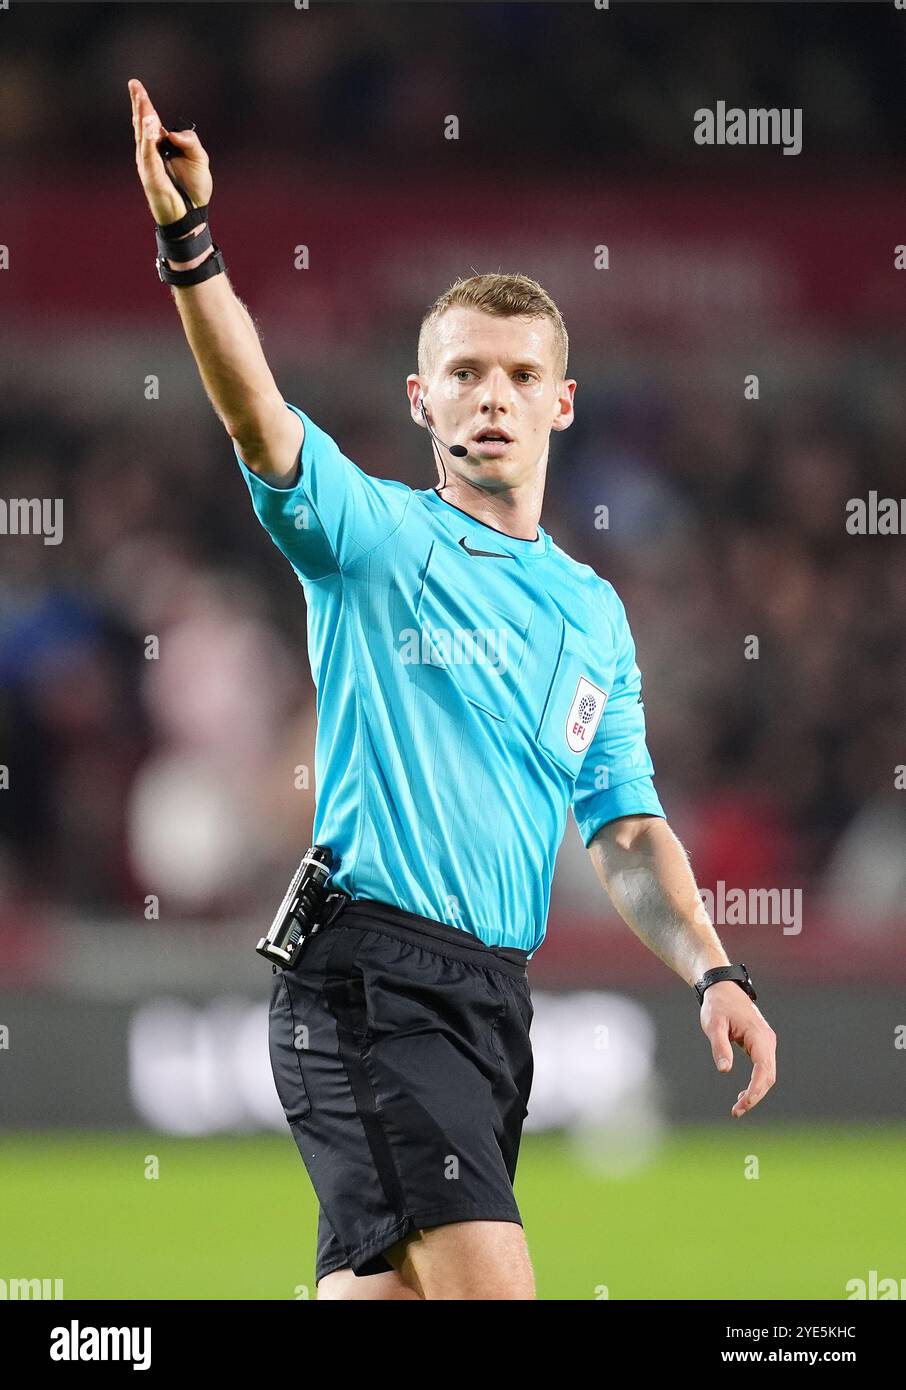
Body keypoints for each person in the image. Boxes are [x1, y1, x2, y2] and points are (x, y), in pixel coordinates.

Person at [128, 78, 777, 1302]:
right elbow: (256, 412)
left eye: (521, 375)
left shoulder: (593, 612)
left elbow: (628, 829)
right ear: (422, 400)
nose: (493, 395)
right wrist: (190, 243)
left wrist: (715, 968)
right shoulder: (371, 538)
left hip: (494, 1005)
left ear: (561, 403)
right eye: (466, 372)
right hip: (372, 978)